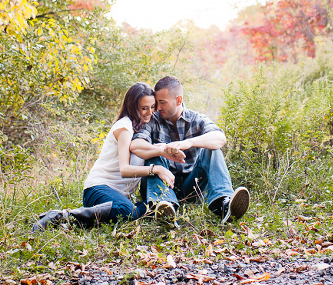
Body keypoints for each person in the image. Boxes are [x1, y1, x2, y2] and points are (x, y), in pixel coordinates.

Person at [33, 82, 179, 231]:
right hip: (98, 190)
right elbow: (125, 169)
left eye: (152, 107)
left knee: (146, 210)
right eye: (144, 108)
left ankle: (66, 225)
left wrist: (163, 149)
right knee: (128, 212)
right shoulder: (125, 127)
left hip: (113, 200)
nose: (150, 112)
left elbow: (148, 150)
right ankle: (61, 215)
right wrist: (155, 169)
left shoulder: (141, 130)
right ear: (133, 107)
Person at [130, 75, 249, 224]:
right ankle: (164, 208)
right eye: (156, 103)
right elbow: (135, 145)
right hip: (163, 185)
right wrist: (162, 150)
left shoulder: (196, 119)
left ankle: (224, 204)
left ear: (178, 100)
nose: (158, 108)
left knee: (212, 149)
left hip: (192, 185)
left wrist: (188, 143)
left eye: (162, 103)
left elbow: (220, 138)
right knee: (154, 153)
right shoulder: (153, 120)